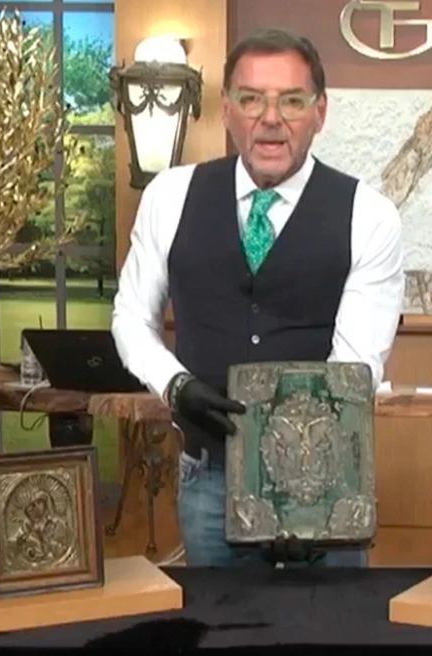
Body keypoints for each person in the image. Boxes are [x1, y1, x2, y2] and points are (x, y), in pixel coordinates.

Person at [111, 28, 404, 568]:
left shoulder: (370, 216)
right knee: (217, 619)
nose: (271, 118)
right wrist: (175, 386)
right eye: (251, 99)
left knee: (330, 621)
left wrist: (304, 491)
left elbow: (356, 364)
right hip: (209, 482)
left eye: (291, 101)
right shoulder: (169, 197)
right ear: (227, 110)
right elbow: (131, 316)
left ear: (319, 112)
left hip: (326, 487)